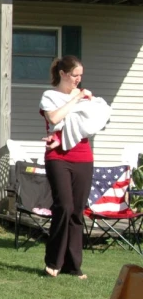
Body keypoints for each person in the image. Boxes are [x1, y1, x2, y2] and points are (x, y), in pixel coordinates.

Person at [39, 56, 95, 280]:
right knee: (64, 205)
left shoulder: (86, 98)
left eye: (80, 75)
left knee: (77, 210)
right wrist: (77, 97)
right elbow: (54, 117)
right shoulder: (50, 96)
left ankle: (74, 266)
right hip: (58, 158)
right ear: (62, 74)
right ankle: (53, 262)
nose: (78, 79)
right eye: (74, 75)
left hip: (83, 156)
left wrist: (86, 100)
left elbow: (88, 126)